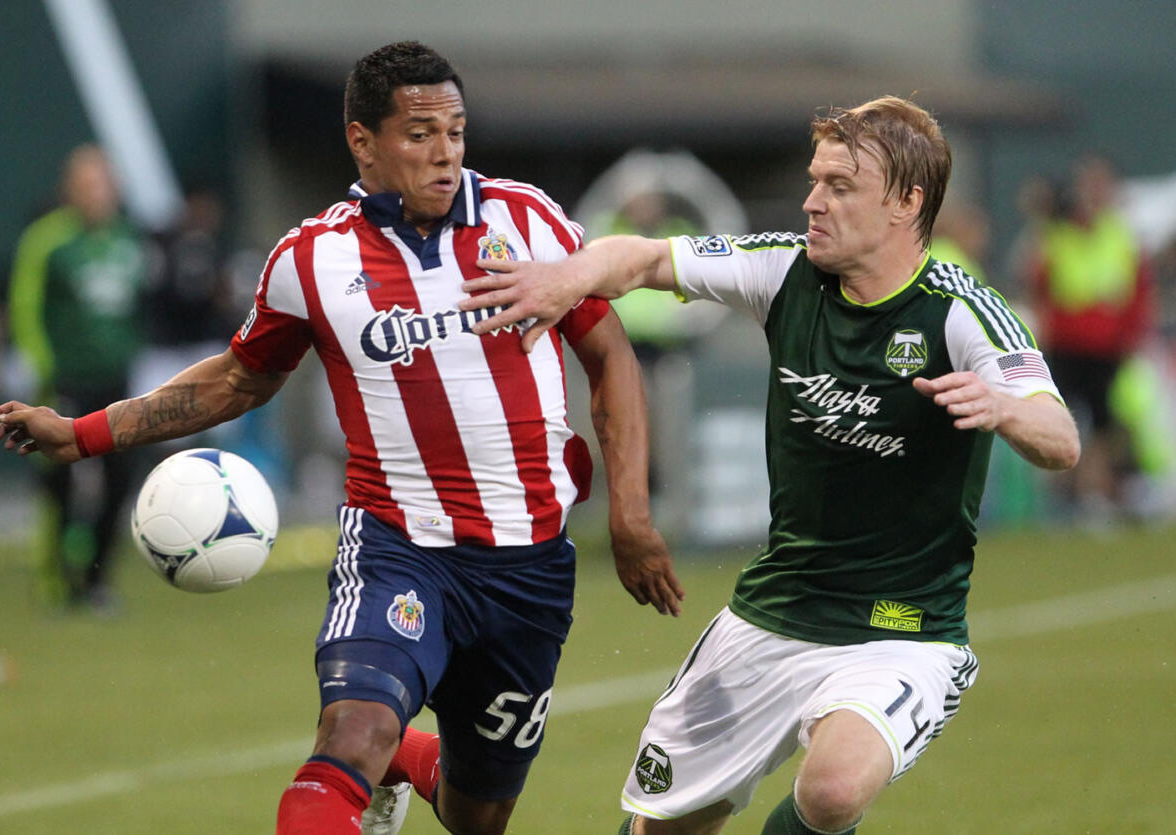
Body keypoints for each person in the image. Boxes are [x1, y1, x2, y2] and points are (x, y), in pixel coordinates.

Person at [0, 41, 683, 834]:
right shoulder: (310, 260)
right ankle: (376, 752)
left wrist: (630, 515)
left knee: (477, 814)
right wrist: (83, 435)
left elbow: (612, 359)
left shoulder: (529, 221)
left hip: (529, 564)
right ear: (364, 142)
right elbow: (237, 378)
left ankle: (414, 759)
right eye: (420, 134)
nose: (445, 152)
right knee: (349, 735)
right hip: (398, 546)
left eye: (456, 131)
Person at [459, 96, 1081, 834]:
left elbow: (1060, 436)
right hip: (772, 616)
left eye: (840, 186)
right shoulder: (784, 269)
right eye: (814, 180)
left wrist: (1005, 407)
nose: (813, 201)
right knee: (664, 827)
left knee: (834, 789)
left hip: (901, 632)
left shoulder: (961, 312)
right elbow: (647, 258)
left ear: (906, 202)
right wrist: (568, 276)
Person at [5, 145, 148, 612]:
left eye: (104, 183)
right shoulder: (47, 240)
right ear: (70, 190)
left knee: (120, 481)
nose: (97, 194)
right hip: (64, 380)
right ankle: (55, 582)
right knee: (59, 485)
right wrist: (40, 365)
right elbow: (24, 305)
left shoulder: (128, 239)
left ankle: (95, 581)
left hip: (116, 381)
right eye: (87, 185)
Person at [1020, 155, 1156, 520]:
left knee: (1104, 424)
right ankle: (1067, 498)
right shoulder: (1057, 233)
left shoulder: (1122, 236)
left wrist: (1132, 336)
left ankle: (1096, 495)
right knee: (1061, 417)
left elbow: (1138, 291)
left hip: (1109, 349)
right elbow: (1037, 281)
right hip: (1065, 345)